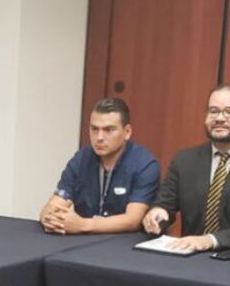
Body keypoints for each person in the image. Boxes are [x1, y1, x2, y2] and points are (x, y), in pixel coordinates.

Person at [143, 83, 230, 251]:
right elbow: (166, 204)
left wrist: (210, 240)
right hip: (191, 255)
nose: (220, 118)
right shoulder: (184, 160)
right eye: (214, 111)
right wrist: (158, 213)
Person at [40, 97, 159, 234]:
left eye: (109, 130)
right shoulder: (82, 158)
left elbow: (132, 220)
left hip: (124, 241)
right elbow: (53, 206)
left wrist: (83, 225)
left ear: (127, 132)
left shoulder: (144, 164)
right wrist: (49, 218)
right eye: (94, 129)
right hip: (83, 240)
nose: (99, 137)